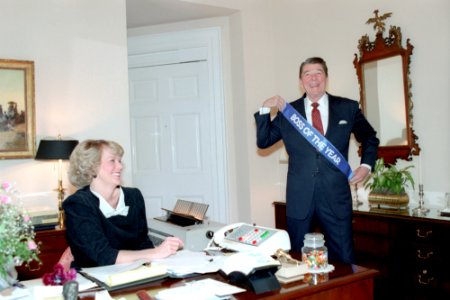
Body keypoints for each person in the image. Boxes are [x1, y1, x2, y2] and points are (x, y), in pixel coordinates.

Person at [254, 57, 379, 264]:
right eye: (307, 74)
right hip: (299, 198)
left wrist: (366, 166)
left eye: (318, 72)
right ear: (301, 80)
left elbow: (369, 138)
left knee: (344, 260)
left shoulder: (347, 107)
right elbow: (264, 141)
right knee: (296, 259)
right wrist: (265, 110)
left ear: (326, 77)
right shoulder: (288, 113)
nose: (313, 78)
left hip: (335, 197)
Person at [62, 139, 184, 268]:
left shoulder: (134, 196)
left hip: (133, 272)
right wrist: (155, 252)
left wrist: (163, 255)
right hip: (94, 279)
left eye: (119, 161)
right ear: (92, 167)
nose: (120, 166)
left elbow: (143, 244)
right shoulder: (78, 205)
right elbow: (103, 256)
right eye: (112, 161)